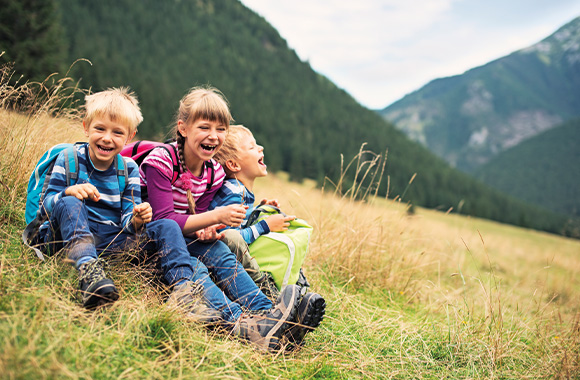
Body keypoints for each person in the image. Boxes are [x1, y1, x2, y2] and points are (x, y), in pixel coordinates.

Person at [31, 88, 298, 351]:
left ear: (129, 136)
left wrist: (143, 220)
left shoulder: (133, 169)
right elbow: (47, 207)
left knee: (216, 248)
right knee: (181, 246)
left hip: (120, 238)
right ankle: (238, 321)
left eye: (117, 132)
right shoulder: (74, 160)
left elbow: (134, 219)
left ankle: (267, 315)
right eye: (100, 129)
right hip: (80, 239)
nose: (107, 138)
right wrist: (69, 192)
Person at [140, 86, 321, 349]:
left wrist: (208, 229)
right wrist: (215, 216)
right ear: (183, 128)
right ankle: (244, 326)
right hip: (150, 241)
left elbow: (196, 218)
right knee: (196, 267)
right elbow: (162, 220)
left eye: (221, 129)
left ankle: (271, 315)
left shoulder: (213, 171)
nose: (213, 136)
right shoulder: (162, 161)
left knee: (217, 249)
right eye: (204, 127)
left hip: (181, 237)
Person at [210, 124, 326, 347]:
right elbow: (227, 235)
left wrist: (258, 208)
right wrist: (265, 226)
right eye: (252, 146)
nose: (260, 148)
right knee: (247, 248)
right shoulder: (232, 192)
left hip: (230, 258)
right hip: (225, 261)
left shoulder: (240, 191)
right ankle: (276, 302)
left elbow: (239, 221)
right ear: (234, 164)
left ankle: (290, 311)